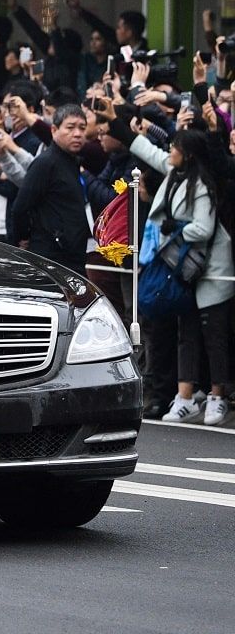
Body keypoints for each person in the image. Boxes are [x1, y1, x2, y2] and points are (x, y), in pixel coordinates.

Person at [107, 111, 233, 426]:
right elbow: (146, 149)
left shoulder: (201, 183)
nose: (170, 151)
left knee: (214, 334)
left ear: (187, 153)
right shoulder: (174, 173)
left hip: (208, 269)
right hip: (182, 268)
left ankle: (218, 396)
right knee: (186, 332)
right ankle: (185, 397)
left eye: (175, 146)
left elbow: (203, 228)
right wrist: (117, 122)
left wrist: (175, 228)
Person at [10, 105, 91, 275]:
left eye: (82, 128)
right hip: (51, 256)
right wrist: (22, 238)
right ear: (54, 130)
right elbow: (20, 207)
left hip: (74, 255)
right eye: (70, 127)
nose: (77, 133)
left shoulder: (73, 161)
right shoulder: (45, 163)